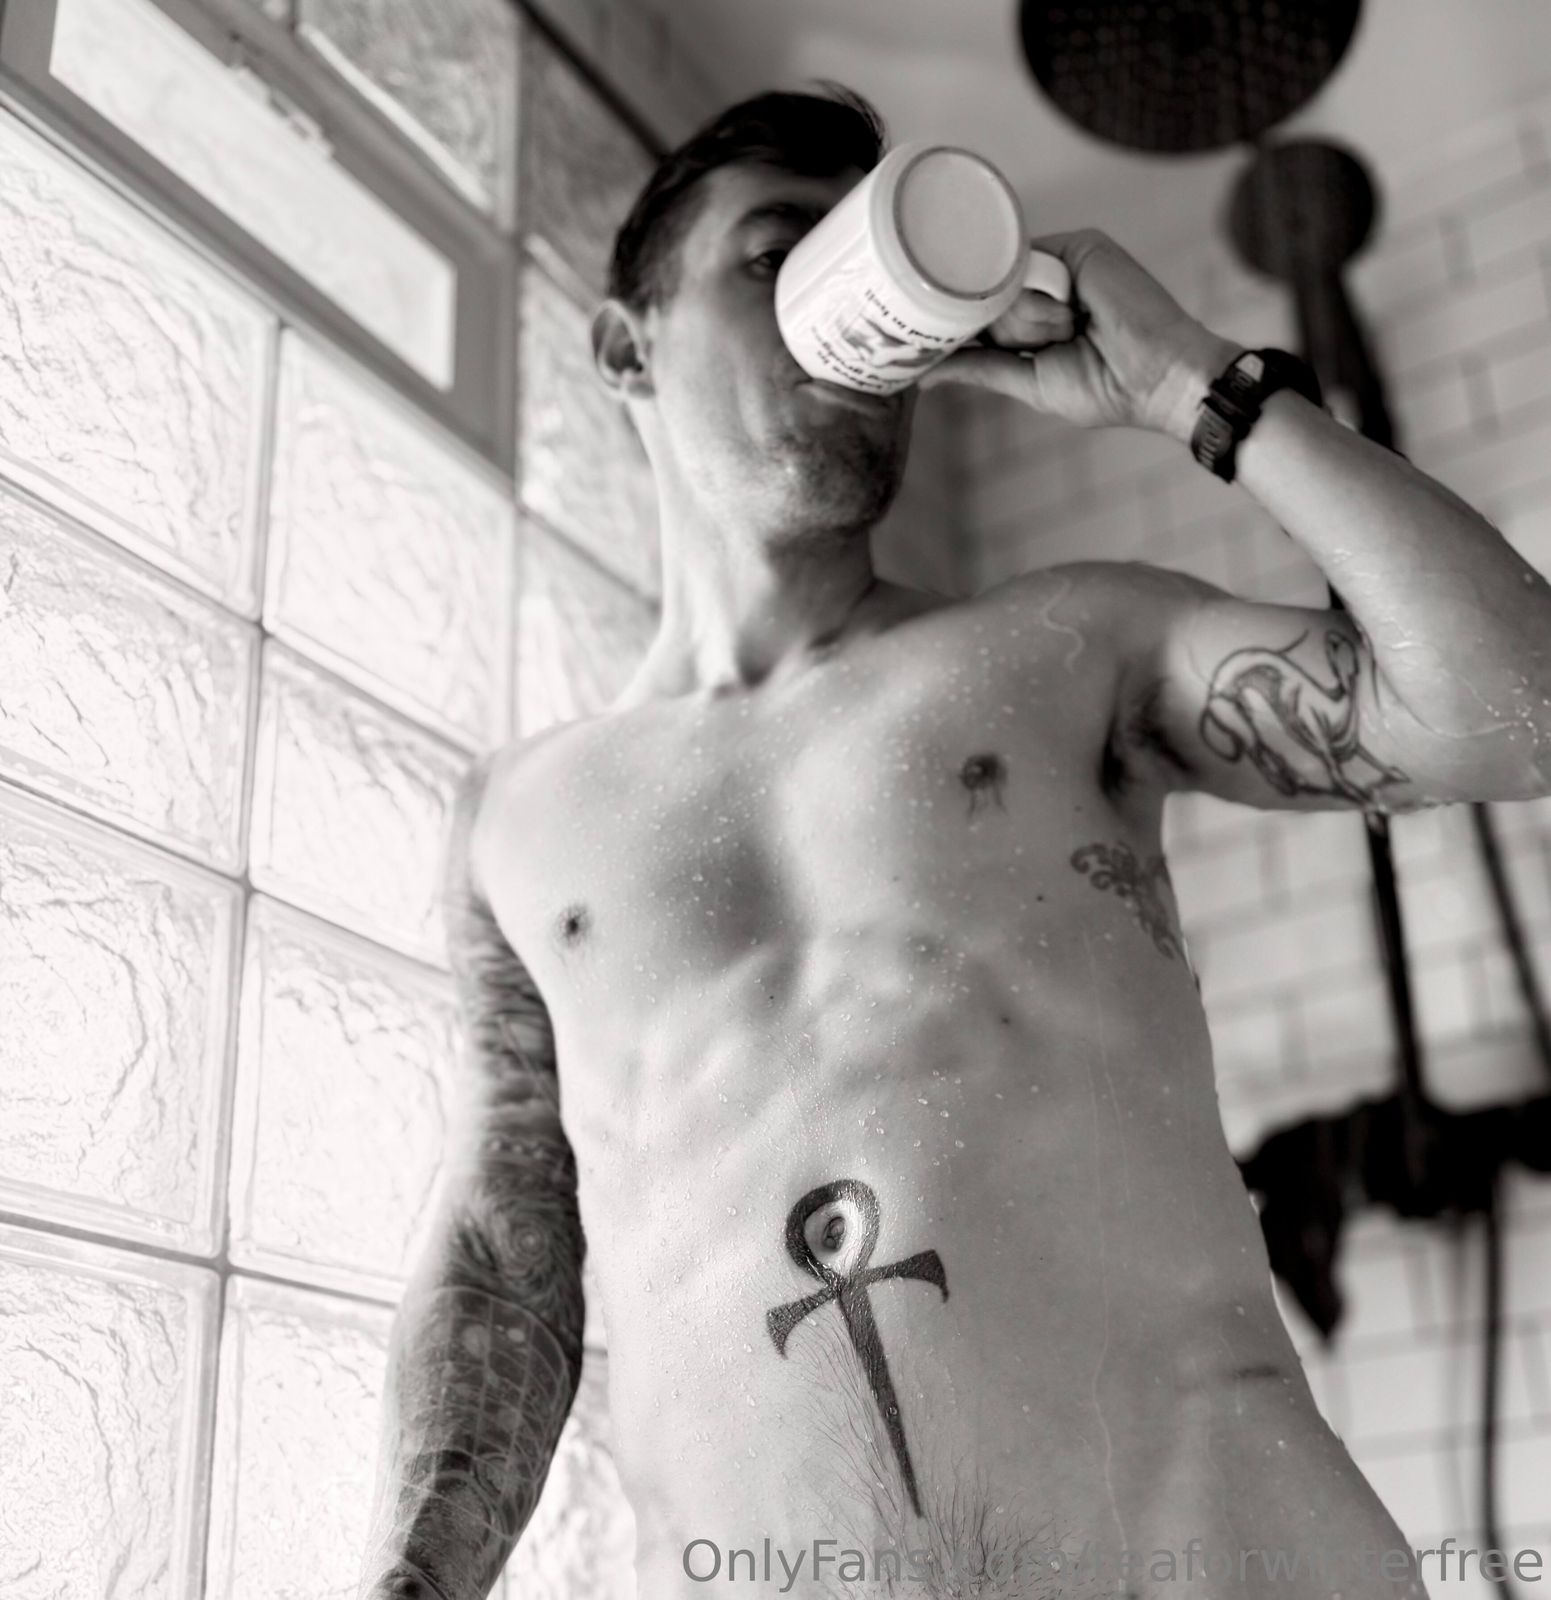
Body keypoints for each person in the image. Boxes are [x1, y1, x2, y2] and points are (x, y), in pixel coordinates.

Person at [356, 87, 1551, 1600]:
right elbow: (500, 1256)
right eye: (777, 258)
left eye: (860, 266)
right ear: (626, 347)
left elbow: (1516, 710)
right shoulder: (518, 818)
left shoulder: (1068, 652)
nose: (841, 315)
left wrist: (1192, 385)